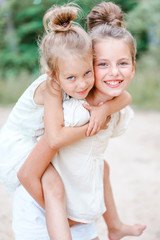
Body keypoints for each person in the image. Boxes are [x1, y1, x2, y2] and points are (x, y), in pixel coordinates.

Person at [0, 3, 131, 240]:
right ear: (54, 75)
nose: (81, 84)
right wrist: (92, 125)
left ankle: (115, 225)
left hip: (39, 137)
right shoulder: (51, 86)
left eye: (87, 73)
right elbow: (55, 137)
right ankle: (62, 224)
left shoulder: (71, 71)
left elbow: (126, 97)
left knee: (104, 168)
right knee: (54, 186)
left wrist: (106, 109)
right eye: (71, 78)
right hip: (19, 142)